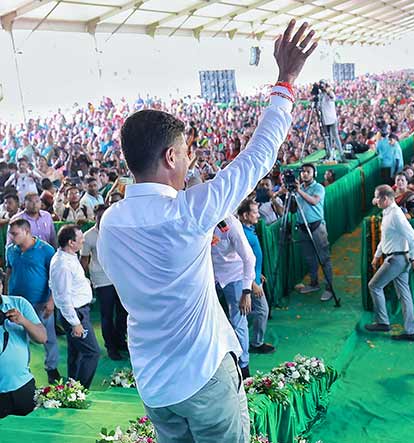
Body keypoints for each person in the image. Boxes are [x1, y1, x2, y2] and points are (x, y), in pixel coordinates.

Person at [98, 21, 315, 442]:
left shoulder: (110, 221)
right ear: (170, 156)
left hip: (154, 385)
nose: (189, 160)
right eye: (186, 152)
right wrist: (285, 81)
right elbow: (257, 158)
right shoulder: (188, 213)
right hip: (202, 376)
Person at [5, 218, 60, 383]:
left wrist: (52, 300)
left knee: (47, 337)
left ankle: (52, 368)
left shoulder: (46, 250)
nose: (11, 237)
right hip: (16, 303)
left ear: (27, 232)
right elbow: (9, 271)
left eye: (15, 234)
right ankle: (22, 369)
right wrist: (6, 296)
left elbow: (55, 278)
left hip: (40, 302)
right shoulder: (10, 250)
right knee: (19, 338)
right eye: (11, 233)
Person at [365, 185, 414, 341]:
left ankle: (383, 322)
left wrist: (413, 257)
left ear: (384, 199)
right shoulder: (388, 212)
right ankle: (410, 331)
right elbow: (386, 238)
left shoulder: (396, 214)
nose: (374, 200)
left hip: (397, 258)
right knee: (404, 295)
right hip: (399, 257)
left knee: (374, 285)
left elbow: (413, 238)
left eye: (377, 197)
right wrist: (377, 255)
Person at [49, 225, 101, 389]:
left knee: (76, 352)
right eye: (80, 239)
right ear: (71, 242)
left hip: (78, 311)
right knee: (91, 352)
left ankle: (72, 389)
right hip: (75, 314)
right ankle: (79, 391)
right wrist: (75, 322)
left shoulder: (68, 256)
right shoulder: (62, 264)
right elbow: (63, 297)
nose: (83, 240)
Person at [211, 210, 256, 379]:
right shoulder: (198, 221)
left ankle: (244, 368)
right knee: (213, 322)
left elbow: (249, 258)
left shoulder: (230, 224)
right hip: (211, 278)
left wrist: (247, 291)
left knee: (238, 322)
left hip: (234, 278)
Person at [81, 205, 127, 361]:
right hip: (101, 279)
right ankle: (111, 347)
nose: (102, 219)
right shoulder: (88, 236)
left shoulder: (117, 230)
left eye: (105, 215)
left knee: (123, 312)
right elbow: (84, 260)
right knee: (107, 315)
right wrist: (86, 281)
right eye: (99, 216)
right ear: (94, 217)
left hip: (119, 276)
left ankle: (121, 341)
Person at [0, 284, 48, 418]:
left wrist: (23, 321)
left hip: (22, 384)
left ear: (1, 285)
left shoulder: (19, 303)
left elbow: (42, 337)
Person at [237, 199, 275, 355]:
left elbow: (252, 258)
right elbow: (239, 261)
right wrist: (253, 282)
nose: (258, 215)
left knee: (254, 311)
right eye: (255, 212)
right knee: (262, 310)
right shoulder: (241, 234)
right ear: (245, 215)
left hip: (256, 277)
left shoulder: (248, 228)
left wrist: (259, 274)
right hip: (251, 282)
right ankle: (256, 343)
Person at [292, 163, 335, 302]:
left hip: (317, 227)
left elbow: (314, 201)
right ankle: (314, 283)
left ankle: (329, 288)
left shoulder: (319, 188)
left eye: (308, 172)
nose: (304, 174)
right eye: (303, 172)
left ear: (314, 174)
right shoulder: (298, 189)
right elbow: (293, 209)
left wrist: (299, 191)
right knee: (309, 258)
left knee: (324, 258)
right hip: (302, 227)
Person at [318, 81, 343, 161]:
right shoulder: (320, 95)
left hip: (332, 118)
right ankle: (329, 154)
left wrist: (327, 90)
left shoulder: (330, 93)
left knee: (335, 137)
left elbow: (333, 98)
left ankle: (341, 154)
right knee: (326, 138)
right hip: (324, 119)